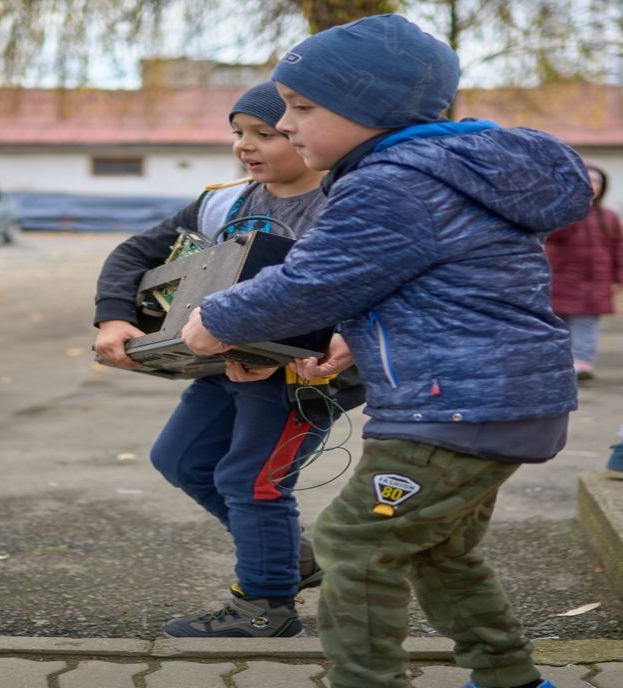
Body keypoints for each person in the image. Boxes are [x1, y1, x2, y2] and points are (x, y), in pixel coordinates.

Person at [180, 15, 590, 688]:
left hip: (450, 409)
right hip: (500, 400)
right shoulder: (443, 171)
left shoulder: (390, 181)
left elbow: (313, 281)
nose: (285, 124)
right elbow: (435, 285)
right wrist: (352, 340)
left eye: (302, 108)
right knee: (439, 551)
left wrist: (215, 320)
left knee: (354, 545)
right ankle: (510, 679)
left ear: (369, 108)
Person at [94, 82, 362, 638]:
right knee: (181, 460)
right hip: (224, 363)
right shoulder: (223, 202)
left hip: (301, 379)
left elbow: (369, 287)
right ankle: (289, 557)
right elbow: (134, 253)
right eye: (238, 132)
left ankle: (266, 606)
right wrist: (114, 317)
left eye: (266, 133)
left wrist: (322, 346)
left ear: (307, 132)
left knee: (252, 480)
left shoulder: (348, 203)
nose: (246, 145)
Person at [544, 163, 623, 381]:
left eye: (596, 181)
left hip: (595, 282)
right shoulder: (561, 213)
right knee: (560, 323)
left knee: (587, 323)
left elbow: (618, 248)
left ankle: (582, 362)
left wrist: (618, 276)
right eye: (587, 180)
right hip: (563, 279)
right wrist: (573, 210)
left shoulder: (609, 216)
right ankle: (560, 361)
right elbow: (554, 237)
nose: (591, 185)